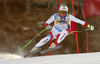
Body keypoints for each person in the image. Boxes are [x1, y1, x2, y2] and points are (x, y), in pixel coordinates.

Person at [30, 5, 94, 52]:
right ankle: (36, 47)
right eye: (62, 12)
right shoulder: (55, 15)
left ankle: (55, 44)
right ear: (59, 11)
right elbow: (47, 22)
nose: (63, 14)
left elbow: (80, 21)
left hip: (63, 31)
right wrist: (47, 25)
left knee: (65, 32)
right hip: (54, 31)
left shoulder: (69, 16)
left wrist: (89, 26)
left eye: (64, 12)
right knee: (47, 38)